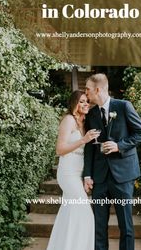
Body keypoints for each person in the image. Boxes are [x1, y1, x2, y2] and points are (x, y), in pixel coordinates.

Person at [84, 74, 141, 250]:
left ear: (98, 89)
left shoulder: (124, 106)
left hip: (123, 176)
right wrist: (87, 174)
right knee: (99, 226)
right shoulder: (91, 113)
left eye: (88, 89)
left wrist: (119, 146)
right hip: (100, 178)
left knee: (126, 226)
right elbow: (89, 146)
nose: (86, 93)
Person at [46, 90, 100, 250]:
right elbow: (60, 149)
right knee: (86, 214)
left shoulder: (85, 122)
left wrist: (86, 176)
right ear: (74, 103)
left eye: (87, 102)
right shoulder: (68, 120)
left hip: (79, 174)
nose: (85, 104)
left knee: (69, 213)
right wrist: (83, 139)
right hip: (68, 173)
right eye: (81, 101)